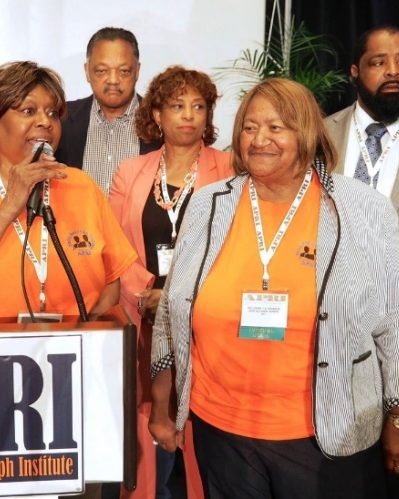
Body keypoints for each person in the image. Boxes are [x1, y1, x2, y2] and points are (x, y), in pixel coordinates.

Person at [150, 78, 399, 499]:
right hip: (222, 431)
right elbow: (174, 305)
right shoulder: (209, 204)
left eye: (276, 127)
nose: (259, 139)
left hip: (327, 435)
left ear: (308, 133)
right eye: (249, 127)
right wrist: (161, 398)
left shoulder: (362, 208)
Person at [0, 60, 136, 323]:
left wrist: (78, 335)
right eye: (28, 110)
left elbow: (111, 281)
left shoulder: (82, 187)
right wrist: (8, 209)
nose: (45, 122)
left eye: (53, 113)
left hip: (74, 354)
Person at [109, 66, 231, 499]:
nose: (189, 115)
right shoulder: (130, 171)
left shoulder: (231, 168)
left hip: (207, 321)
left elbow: (235, 248)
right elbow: (115, 245)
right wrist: (146, 294)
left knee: (203, 428)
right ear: (156, 114)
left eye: (199, 106)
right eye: (177, 105)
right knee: (147, 426)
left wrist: (180, 297)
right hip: (143, 316)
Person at [324, 26, 399, 498]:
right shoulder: (319, 136)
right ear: (354, 71)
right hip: (331, 349)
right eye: (378, 62)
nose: (393, 72)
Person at [56, 27, 160, 194]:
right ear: (87, 71)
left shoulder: (160, 122)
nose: (113, 80)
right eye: (102, 71)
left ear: (137, 71)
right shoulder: (61, 119)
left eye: (124, 71)